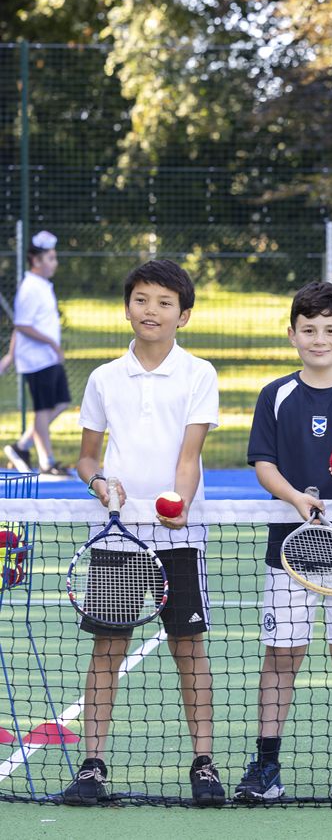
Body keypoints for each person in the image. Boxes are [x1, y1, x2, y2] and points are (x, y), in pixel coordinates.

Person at [65, 260, 224, 805]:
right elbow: (86, 458)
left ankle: (204, 763)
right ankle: (92, 766)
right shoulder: (104, 378)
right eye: (140, 299)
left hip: (177, 537)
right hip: (116, 538)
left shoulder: (199, 373)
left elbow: (190, 456)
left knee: (189, 649)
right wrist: (101, 484)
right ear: (127, 306)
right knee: (107, 649)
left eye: (163, 302)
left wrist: (177, 506)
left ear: (184, 315)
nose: (150, 310)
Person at [236, 281, 332, 803]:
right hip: (289, 550)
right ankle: (266, 765)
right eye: (308, 330)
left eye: (330, 329)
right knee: (284, 654)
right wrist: (296, 500)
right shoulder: (275, 395)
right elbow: (264, 464)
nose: (319, 339)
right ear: (292, 335)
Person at [2, 230, 72, 476]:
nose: (55, 262)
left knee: (62, 402)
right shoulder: (30, 287)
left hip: (48, 359)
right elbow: (22, 324)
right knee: (42, 410)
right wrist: (52, 344)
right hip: (37, 360)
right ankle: (47, 462)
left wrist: (11, 354)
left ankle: (21, 446)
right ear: (36, 260)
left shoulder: (42, 285)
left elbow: (22, 324)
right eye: (50, 258)